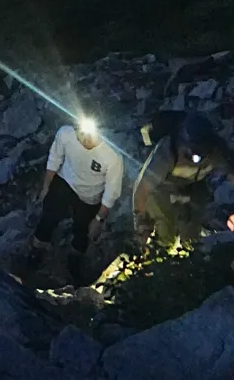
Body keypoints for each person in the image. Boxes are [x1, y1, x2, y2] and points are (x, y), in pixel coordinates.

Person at [24, 115, 124, 288]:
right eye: (81, 133)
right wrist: (46, 186)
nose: (85, 139)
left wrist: (99, 219)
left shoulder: (112, 155)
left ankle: (74, 262)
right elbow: (54, 158)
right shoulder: (65, 134)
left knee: (83, 232)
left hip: (90, 194)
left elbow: (111, 191)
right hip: (65, 181)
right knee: (48, 217)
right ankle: (36, 252)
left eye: (90, 134)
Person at [132, 105, 234, 251]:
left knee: (192, 236)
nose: (194, 157)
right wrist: (141, 222)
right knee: (165, 233)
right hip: (163, 185)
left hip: (196, 184)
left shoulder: (217, 151)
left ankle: (190, 256)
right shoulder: (166, 151)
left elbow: (232, 174)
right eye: (190, 152)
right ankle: (162, 255)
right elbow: (142, 189)